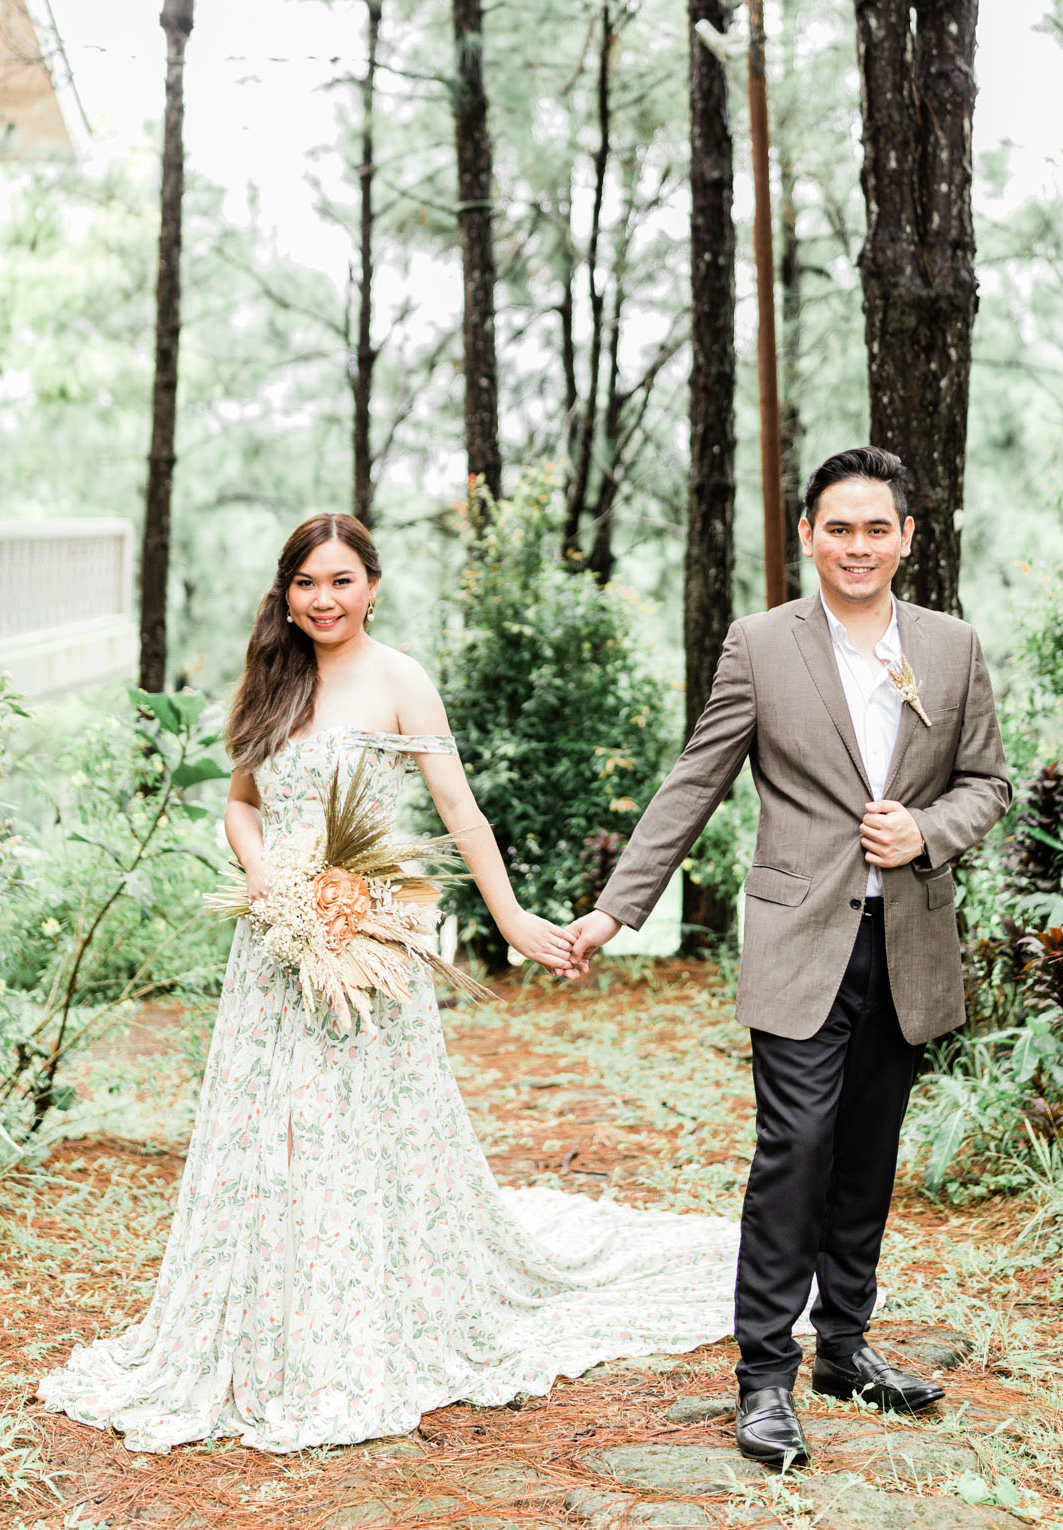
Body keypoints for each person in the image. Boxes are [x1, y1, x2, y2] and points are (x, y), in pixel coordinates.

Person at [38, 511, 736, 1454]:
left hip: (370, 941)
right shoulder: (270, 678)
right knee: (275, 1131)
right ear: (286, 592)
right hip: (274, 947)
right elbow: (240, 806)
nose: (323, 599)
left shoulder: (402, 680)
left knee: (355, 1127)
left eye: (341, 581)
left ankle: (359, 1317)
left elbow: (459, 811)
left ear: (372, 586)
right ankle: (263, 1319)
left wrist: (511, 920)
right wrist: (267, 877)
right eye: (306, 583)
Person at [567, 448, 1010, 1470]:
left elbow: (988, 782)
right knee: (795, 1151)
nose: (858, 546)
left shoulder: (951, 647)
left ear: (907, 538)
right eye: (838, 528)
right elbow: (695, 781)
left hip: (907, 944)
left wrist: (927, 831)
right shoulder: (761, 645)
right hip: (798, 941)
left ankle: (844, 1349)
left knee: (867, 1155)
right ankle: (765, 1376)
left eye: (877, 528)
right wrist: (614, 911)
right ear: (808, 536)